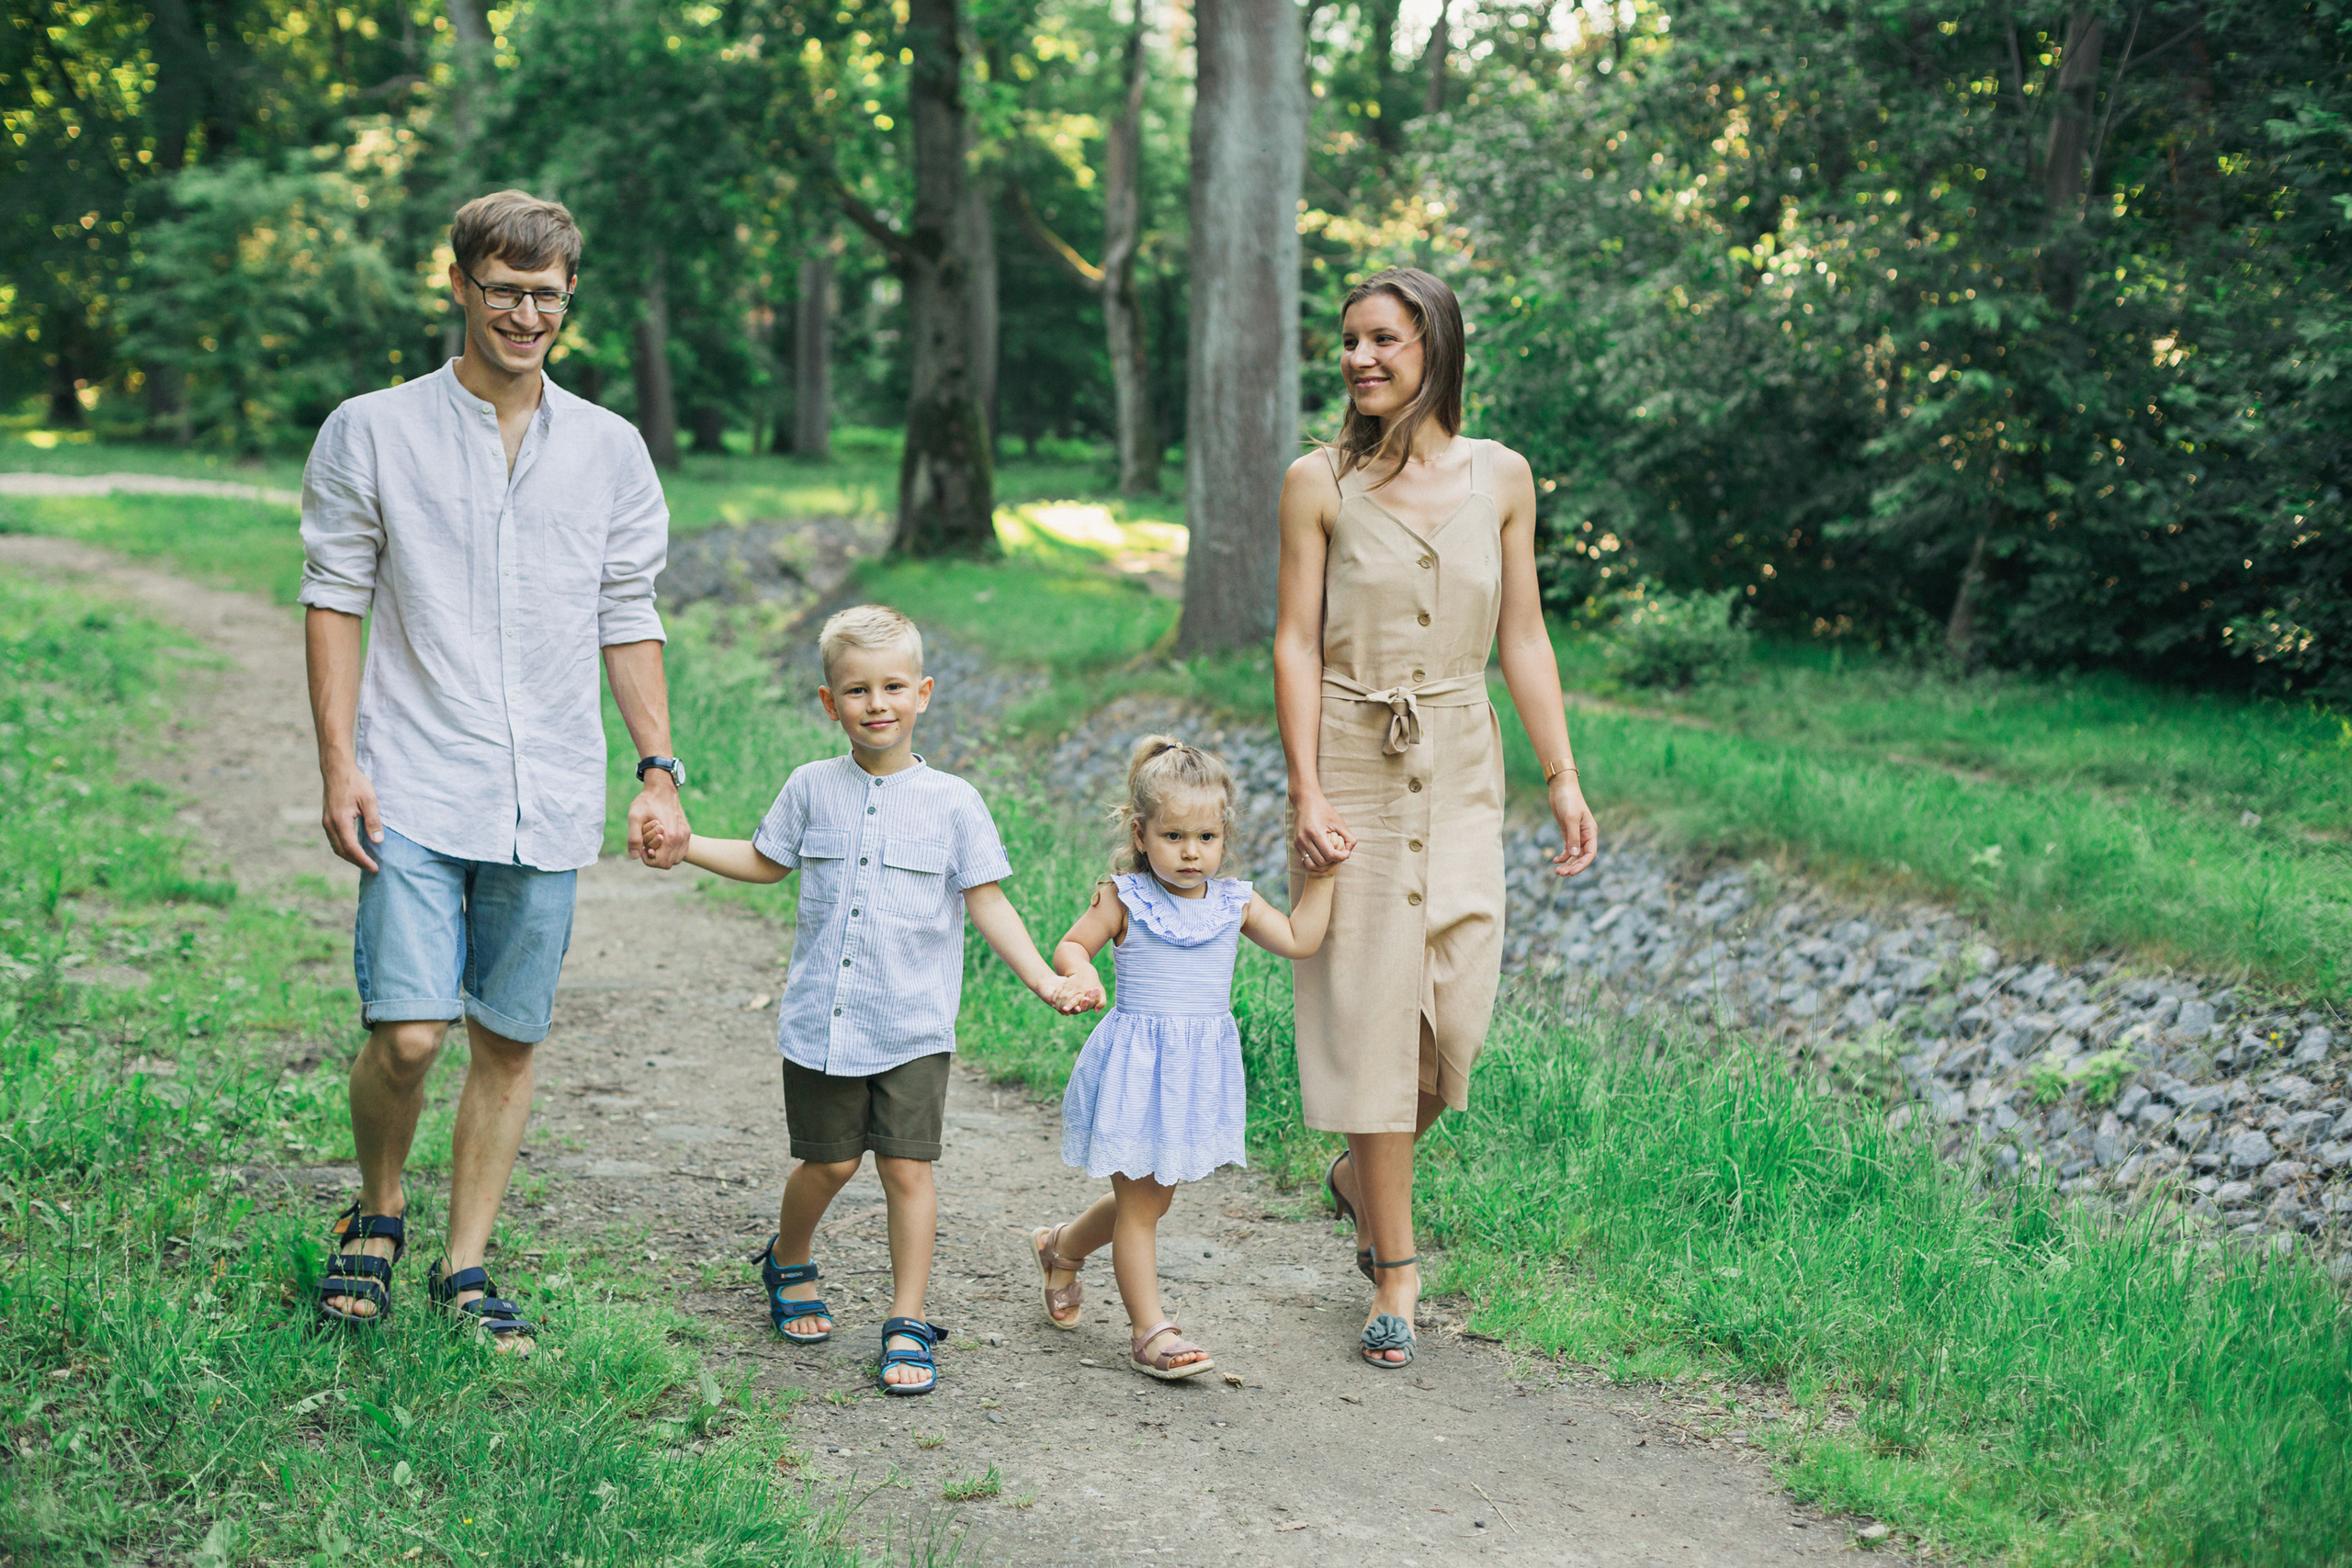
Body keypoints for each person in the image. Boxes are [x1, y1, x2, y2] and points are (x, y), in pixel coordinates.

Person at [300, 190, 690, 1354]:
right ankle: (378, 1209)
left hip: (552, 787)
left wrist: (657, 766)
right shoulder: (370, 430)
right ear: (461, 284)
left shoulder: (611, 450)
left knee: (509, 1038)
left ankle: (464, 1263)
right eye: (505, 289)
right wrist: (338, 767)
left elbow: (630, 613)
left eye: (547, 296)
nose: (525, 313)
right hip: (413, 775)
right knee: (411, 1032)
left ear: (569, 303)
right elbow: (335, 600)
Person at [1272, 266, 1600, 1371]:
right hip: (1353, 764)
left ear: (1435, 347)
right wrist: (1307, 789)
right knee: (1370, 1013)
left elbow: (1524, 637)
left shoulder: (1502, 478)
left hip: (1460, 760)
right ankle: (1396, 1273)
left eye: (1385, 341)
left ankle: (1360, 1175)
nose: (1361, 360)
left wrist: (1559, 773)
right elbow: (1293, 643)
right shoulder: (1316, 483)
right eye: (1350, 341)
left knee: (1452, 1011)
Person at [639, 604, 1093, 1394]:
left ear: (921, 693)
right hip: (825, 1021)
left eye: (891, 687)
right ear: (829, 702)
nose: (875, 703)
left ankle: (906, 1318)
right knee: (830, 1161)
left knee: (908, 1171)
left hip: (913, 1024)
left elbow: (988, 902)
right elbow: (763, 859)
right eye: (856, 689)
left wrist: (1046, 979)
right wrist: (686, 846)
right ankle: (788, 1257)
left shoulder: (954, 802)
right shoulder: (811, 788)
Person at [1030, 738, 1336, 1379]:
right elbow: (1070, 945)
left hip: (1193, 1076)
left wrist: (1325, 876)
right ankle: (1151, 1331)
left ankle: (1062, 1246)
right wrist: (1079, 974)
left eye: (1206, 835)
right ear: (1141, 835)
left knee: (1150, 1199)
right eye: (1173, 835)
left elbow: (1302, 938)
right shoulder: (1124, 897)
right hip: (1138, 1068)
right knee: (1141, 1206)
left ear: (1224, 836)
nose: (1191, 851)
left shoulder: (1235, 903)